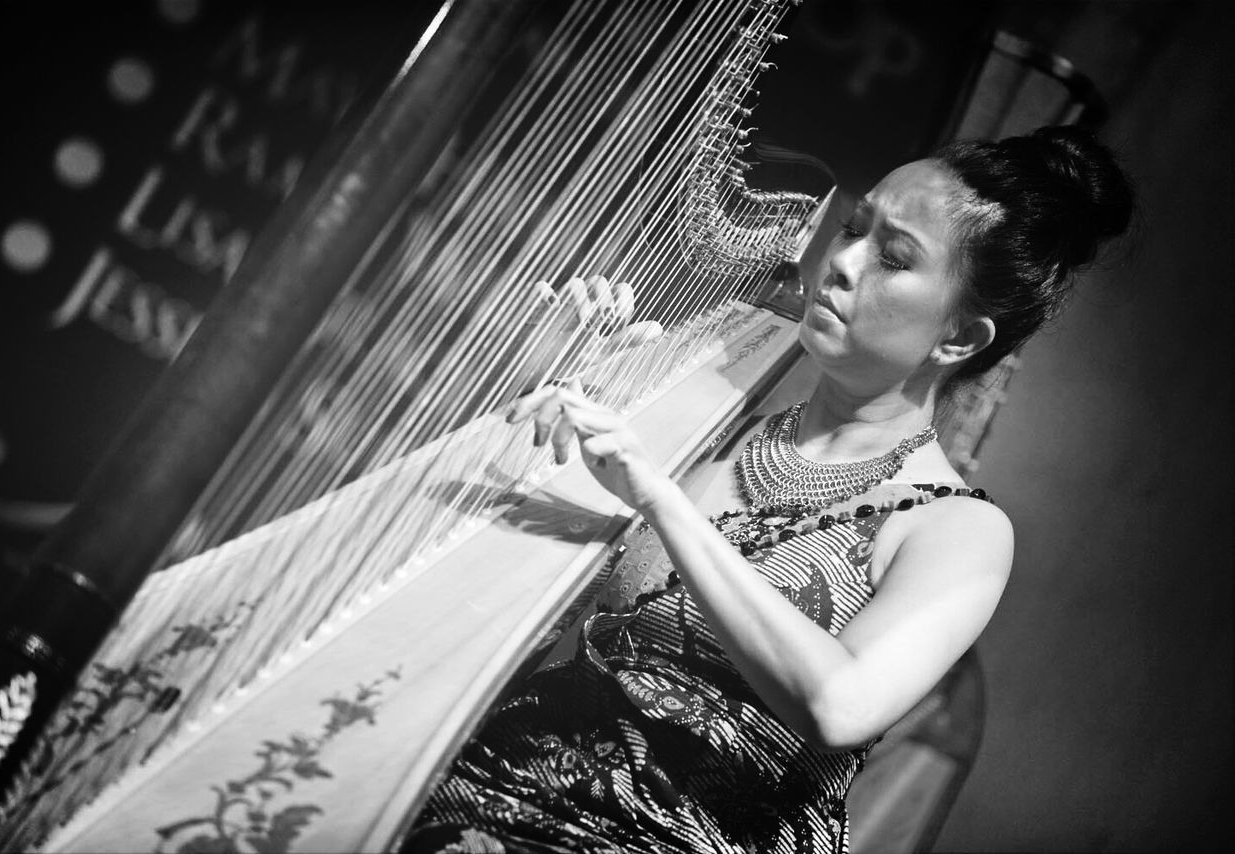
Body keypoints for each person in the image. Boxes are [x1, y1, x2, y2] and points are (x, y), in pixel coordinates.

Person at [401, 125, 1134, 854]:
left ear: (958, 340)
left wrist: (662, 500)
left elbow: (840, 705)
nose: (842, 262)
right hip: (503, 781)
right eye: (853, 227)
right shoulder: (709, 418)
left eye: (893, 258)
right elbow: (494, 578)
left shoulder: (957, 530)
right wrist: (552, 374)